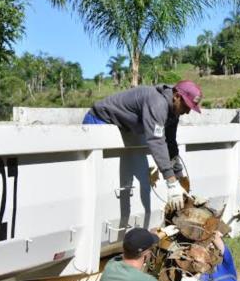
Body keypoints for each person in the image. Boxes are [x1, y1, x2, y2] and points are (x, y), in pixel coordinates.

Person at [82, 80, 203, 211]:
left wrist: (180, 179)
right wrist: (171, 182)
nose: (187, 112)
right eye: (186, 106)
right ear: (177, 96)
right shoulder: (157, 103)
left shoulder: (173, 112)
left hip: (121, 126)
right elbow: (156, 141)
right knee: (104, 189)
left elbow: (170, 143)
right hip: (100, 121)